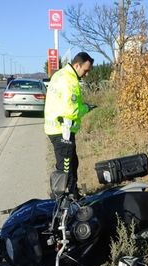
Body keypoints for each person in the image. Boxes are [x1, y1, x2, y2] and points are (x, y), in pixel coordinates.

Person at [43, 52, 94, 199]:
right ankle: (66, 201)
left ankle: (72, 194)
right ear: (77, 65)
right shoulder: (69, 80)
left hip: (56, 128)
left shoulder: (59, 74)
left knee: (71, 162)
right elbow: (71, 110)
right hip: (62, 130)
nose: (86, 75)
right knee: (67, 169)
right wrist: (86, 108)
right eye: (85, 70)